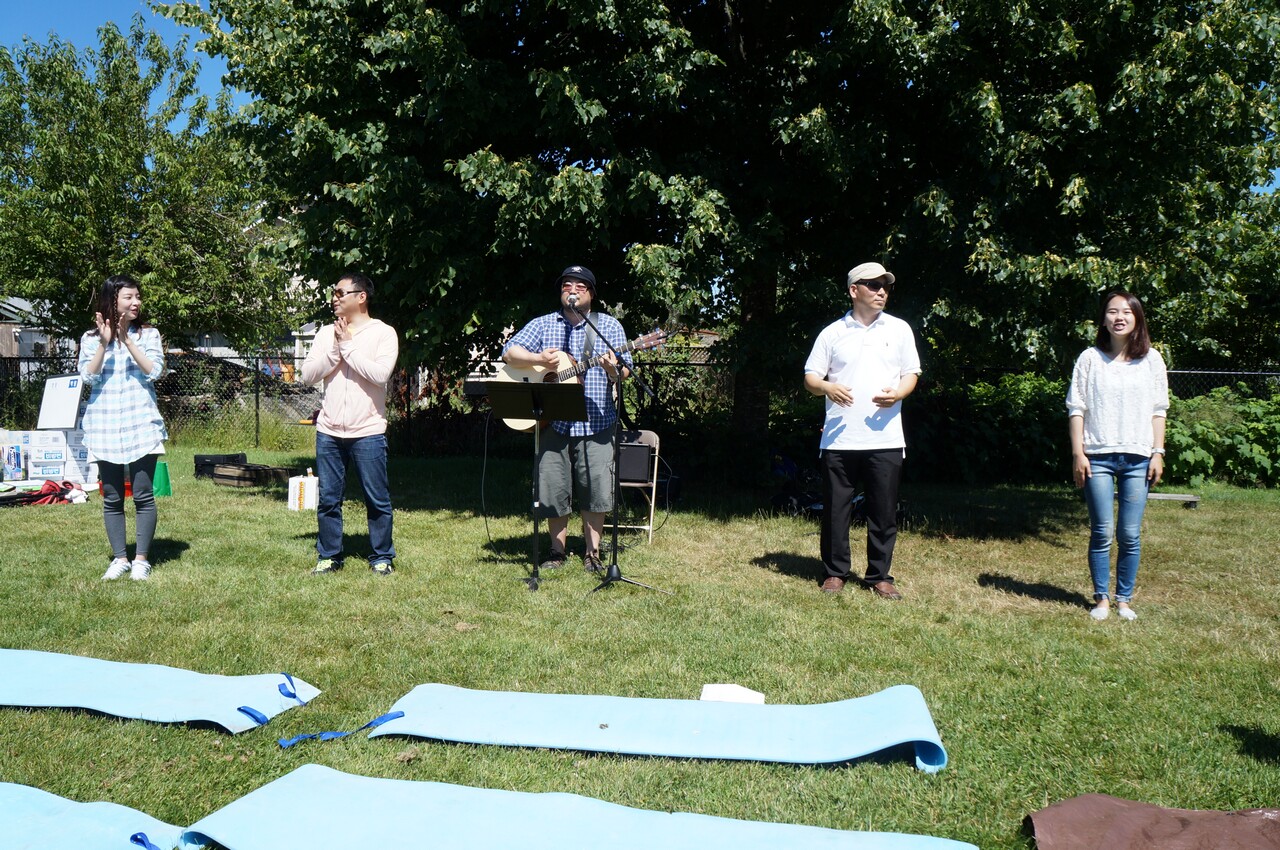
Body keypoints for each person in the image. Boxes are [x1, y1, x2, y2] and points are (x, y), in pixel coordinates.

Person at [502, 265, 632, 573]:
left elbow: (624, 370)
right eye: (567, 285)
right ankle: (556, 552)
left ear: (591, 293)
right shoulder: (543, 324)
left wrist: (612, 369)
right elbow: (509, 352)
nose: (572, 290)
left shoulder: (608, 326)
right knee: (552, 487)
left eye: (580, 286)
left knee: (596, 489)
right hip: (553, 422)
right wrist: (537, 359)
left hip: (596, 422)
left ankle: (592, 553)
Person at [803, 262, 921, 598]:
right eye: (874, 285)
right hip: (840, 438)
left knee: (883, 511)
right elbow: (811, 377)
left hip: (886, 438)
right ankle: (835, 573)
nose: (882, 291)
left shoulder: (899, 329)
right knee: (836, 510)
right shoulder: (832, 333)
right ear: (854, 290)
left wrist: (899, 393)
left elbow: (911, 373)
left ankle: (879, 576)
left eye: (886, 285)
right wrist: (827, 387)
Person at [1067, 291, 1169, 621]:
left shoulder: (1152, 360)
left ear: (1137, 318)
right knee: (1102, 531)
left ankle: (1124, 599)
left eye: (1126, 311)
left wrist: (1157, 453)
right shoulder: (1089, 359)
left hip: (1139, 458)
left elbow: (1159, 410)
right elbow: (1077, 408)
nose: (1119, 317)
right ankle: (1102, 599)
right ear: (1104, 319)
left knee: (1129, 534)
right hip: (1097, 456)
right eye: (1112, 311)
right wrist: (1078, 453)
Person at [300, 272, 400, 576]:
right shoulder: (325, 334)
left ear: (361, 297)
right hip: (329, 431)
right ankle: (329, 556)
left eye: (340, 293)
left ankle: (381, 556)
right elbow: (307, 376)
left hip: (368, 431)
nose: (334, 298)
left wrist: (348, 347)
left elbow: (380, 375)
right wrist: (335, 349)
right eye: (334, 293)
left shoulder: (384, 333)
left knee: (377, 499)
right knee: (329, 500)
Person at [78, 274, 168, 581]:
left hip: (141, 422)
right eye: (129, 297)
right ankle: (120, 559)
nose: (136, 302)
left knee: (143, 493)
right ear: (112, 300)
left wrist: (127, 341)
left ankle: (141, 559)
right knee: (112, 496)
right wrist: (105, 344)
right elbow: (88, 377)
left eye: (137, 297)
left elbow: (155, 371)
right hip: (104, 424)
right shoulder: (91, 338)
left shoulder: (148, 334)